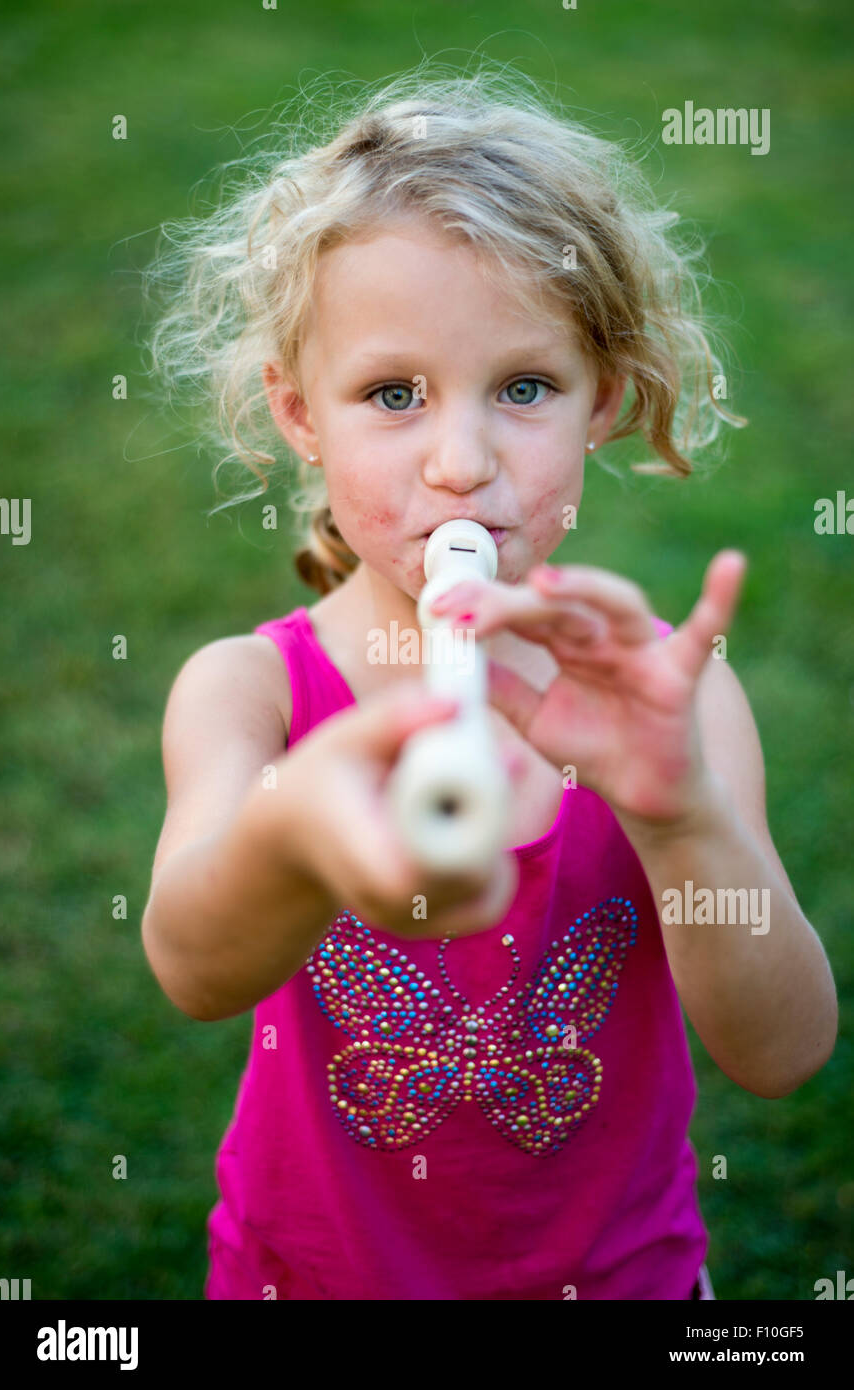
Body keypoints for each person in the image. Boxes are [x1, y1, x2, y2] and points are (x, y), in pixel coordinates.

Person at [140, 64, 837, 1300]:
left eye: (523, 388)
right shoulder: (246, 689)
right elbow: (195, 970)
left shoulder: (674, 696)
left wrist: (681, 819)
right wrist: (295, 828)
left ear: (602, 400)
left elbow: (782, 1052)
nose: (461, 464)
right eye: (393, 395)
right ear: (301, 415)